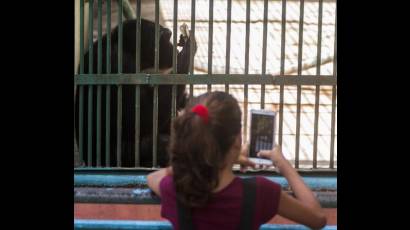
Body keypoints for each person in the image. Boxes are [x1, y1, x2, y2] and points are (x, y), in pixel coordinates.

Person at [147, 91, 326, 230]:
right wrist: (284, 165)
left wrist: (200, 155)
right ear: (237, 141)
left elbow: (152, 178)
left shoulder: (175, 188)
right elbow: (318, 219)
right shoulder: (260, 192)